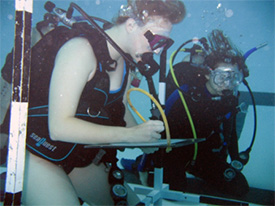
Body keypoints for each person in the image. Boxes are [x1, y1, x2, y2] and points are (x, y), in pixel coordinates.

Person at [0, 0, 186, 205]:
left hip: (77, 154)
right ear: (131, 25)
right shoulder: (80, 50)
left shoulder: (125, 64)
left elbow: (120, 110)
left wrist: (145, 142)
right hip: (37, 149)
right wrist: (129, 136)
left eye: (165, 44)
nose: (158, 51)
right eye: (157, 40)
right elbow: (59, 127)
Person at [162, 29, 249, 196]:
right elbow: (162, 127)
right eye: (221, 77)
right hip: (174, 152)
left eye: (234, 78)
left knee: (239, 187)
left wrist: (235, 158)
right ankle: (143, 165)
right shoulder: (186, 94)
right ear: (208, 74)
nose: (227, 84)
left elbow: (230, 134)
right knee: (175, 191)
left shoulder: (229, 100)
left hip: (203, 155)